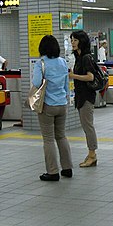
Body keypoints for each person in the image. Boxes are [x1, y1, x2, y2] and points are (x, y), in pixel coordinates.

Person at [32, 35, 72, 181]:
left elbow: (36, 83)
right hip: (62, 104)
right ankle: (67, 168)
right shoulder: (62, 62)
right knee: (61, 136)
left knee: (48, 139)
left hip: (47, 106)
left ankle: (53, 171)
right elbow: (66, 84)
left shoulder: (40, 63)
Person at [69, 30, 98, 167]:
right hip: (80, 95)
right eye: (71, 40)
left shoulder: (86, 57)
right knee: (86, 126)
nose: (72, 43)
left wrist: (73, 76)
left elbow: (90, 77)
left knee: (88, 126)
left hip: (86, 96)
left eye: (75, 40)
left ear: (81, 41)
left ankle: (92, 155)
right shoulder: (78, 57)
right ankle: (91, 154)